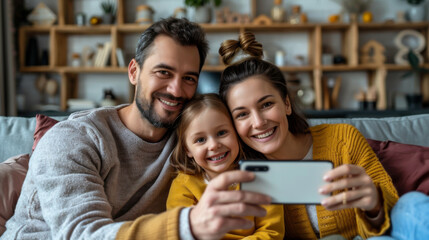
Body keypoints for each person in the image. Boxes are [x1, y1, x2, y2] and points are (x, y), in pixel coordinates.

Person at [1, 18, 271, 240]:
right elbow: (83, 235)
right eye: (163, 72)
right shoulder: (74, 139)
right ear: (134, 72)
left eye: (188, 78)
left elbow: (260, 137)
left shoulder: (191, 140)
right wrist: (188, 224)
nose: (176, 90)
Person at [217, 31, 399, 239]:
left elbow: (396, 214)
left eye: (266, 104)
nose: (258, 123)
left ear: (286, 104)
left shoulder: (344, 139)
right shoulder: (239, 174)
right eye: (242, 114)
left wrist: (375, 204)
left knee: (413, 205)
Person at [167, 93, 285, 239]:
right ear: (187, 149)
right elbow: (180, 232)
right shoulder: (184, 185)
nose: (214, 145)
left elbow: (272, 232)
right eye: (200, 140)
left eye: (222, 133)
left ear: (236, 133)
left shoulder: (261, 180)